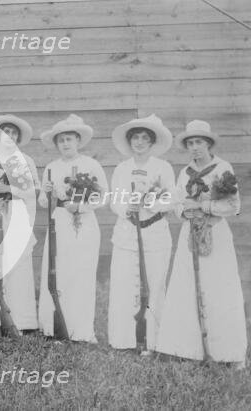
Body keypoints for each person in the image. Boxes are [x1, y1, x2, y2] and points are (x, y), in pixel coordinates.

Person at [155, 120, 247, 369]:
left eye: (199, 142)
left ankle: (228, 352)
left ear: (208, 143)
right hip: (190, 235)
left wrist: (203, 207)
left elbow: (234, 206)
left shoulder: (222, 168)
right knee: (186, 287)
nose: (195, 147)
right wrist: (184, 212)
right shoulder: (184, 172)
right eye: (191, 143)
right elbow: (176, 203)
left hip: (215, 234)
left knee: (220, 288)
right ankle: (186, 349)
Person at [107, 114, 176, 354]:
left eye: (145, 138)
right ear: (129, 141)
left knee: (154, 285)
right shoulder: (122, 168)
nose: (139, 142)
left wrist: (150, 203)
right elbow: (114, 200)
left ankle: (153, 341)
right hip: (127, 232)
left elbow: (170, 200)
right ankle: (123, 339)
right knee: (124, 284)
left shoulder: (163, 168)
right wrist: (128, 209)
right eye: (135, 137)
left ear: (152, 142)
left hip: (155, 232)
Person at [37, 114, 108, 343]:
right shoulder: (51, 167)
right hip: (59, 222)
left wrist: (82, 207)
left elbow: (103, 196)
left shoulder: (91, 164)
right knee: (59, 271)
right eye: (61, 140)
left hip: (85, 223)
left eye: (69, 139)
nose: (65, 144)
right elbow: (42, 202)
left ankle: (80, 330)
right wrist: (46, 192)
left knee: (81, 273)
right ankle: (54, 327)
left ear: (78, 141)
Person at [0, 115, 39, 333]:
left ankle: (20, 319)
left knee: (17, 264)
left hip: (16, 215)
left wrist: (10, 191)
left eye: (13, 133)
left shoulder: (26, 161)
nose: (9, 136)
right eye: (5, 132)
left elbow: (34, 191)